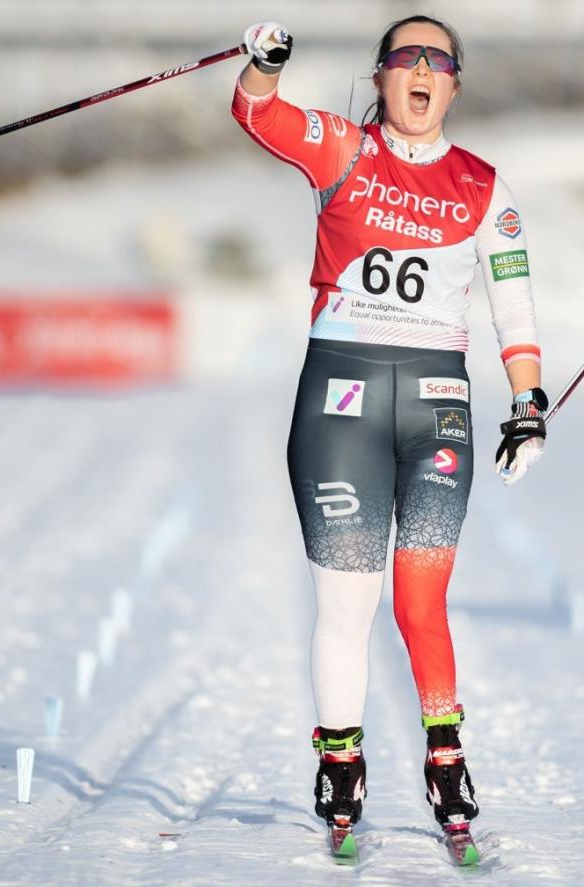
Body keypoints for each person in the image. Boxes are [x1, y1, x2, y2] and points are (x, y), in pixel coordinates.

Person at [232, 15, 548, 838]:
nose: (420, 71)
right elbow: (258, 114)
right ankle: (341, 758)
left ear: (453, 84)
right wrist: (263, 67)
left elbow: (512, 300)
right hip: (339, 398)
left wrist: (529, 402)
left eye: (437, 61)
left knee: (421, 600)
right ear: (380, 77)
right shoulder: (341, 148)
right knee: (348, 603)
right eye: (405, 57)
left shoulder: (485, 187)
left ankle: (445, 756)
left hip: (438, 403)